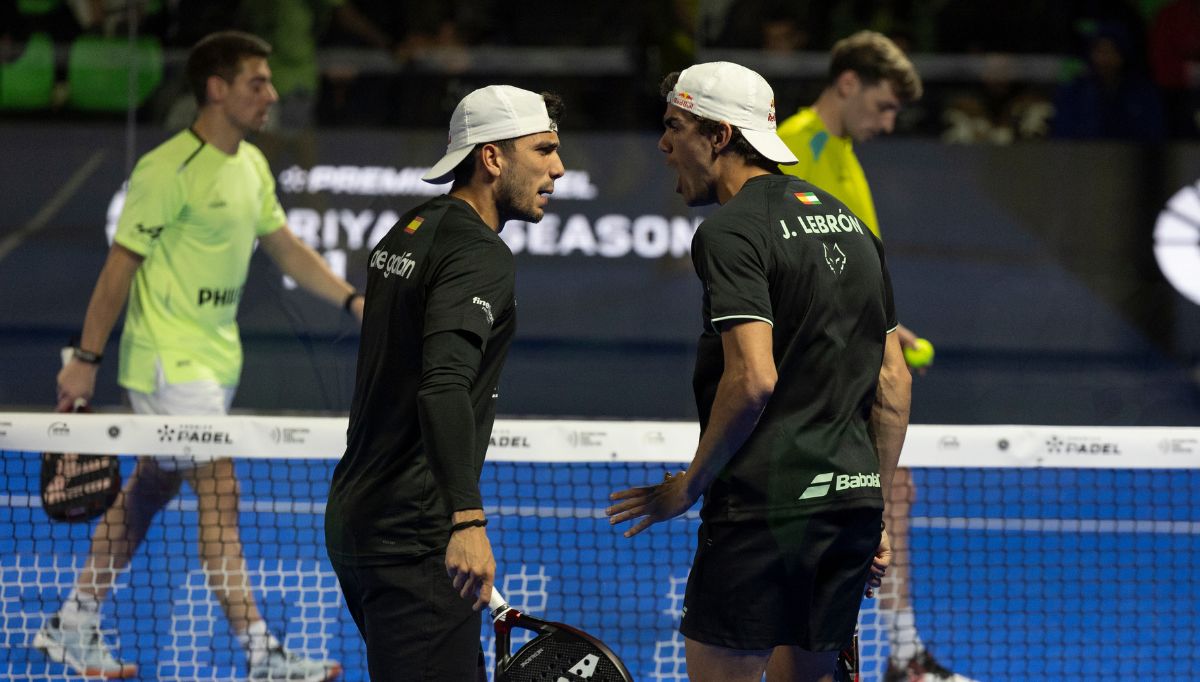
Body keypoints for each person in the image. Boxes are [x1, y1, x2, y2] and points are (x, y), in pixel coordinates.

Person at [36, 30, 356, 681]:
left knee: (149, 491)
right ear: (217, 89)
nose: (271, 94)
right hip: (167, 362)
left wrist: (353, 301)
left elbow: (286, 246)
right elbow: (117, 271)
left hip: (214, 360)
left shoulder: (251, 166)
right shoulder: (164, 171)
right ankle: (262, 654)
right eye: (256, 83)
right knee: (221, 491)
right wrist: (87, 358)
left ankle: (70, 623)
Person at [606, 61, 909, 682]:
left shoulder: (731, 232)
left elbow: (753, 380)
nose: (664, 146)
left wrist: (687, 487)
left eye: (675, 128)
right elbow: (893, 384)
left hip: (760, 515)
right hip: (848, 509)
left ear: (718, 137)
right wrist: (869, 502)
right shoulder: (854, 230)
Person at [324, 84, 565, 681]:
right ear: (491, 158)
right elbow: (443, 386)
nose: (558, 168)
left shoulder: (410, 229)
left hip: (359, 516)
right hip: (416, 536)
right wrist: (466, 521)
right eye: (543, 150)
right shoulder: (480, 253)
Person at [775, 32, 977, 682]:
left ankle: (891, 650)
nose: (887, 123)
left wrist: (894, 329)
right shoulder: (797, 148)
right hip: (818, 368)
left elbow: (850, 270)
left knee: (891, 494)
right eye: (885, 106)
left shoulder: (842, 153)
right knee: (871, 498)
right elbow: (789, 265)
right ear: (848, 83)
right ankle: (884, 654)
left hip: (856, 356)